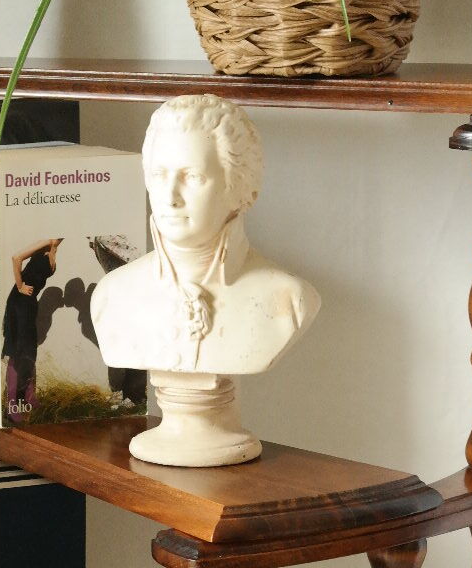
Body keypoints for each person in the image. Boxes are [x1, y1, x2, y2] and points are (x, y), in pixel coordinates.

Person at [91, 95, 319, 378]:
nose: (170, 197)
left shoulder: (289, 300)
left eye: (193, 177)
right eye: (159, 174)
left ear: (239, 186)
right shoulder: (112, 296)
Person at [1, 237, 62, 420]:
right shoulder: (46, 242)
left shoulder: (54, 249)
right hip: (19, 302)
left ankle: (29, 397)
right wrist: (20, 286)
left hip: (29, 304)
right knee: (17, 351)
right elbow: (16, 258)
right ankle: (11, 402)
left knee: (29, 351)